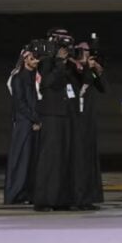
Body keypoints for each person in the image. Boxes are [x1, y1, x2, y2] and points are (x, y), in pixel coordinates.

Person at [33, 30, 75, 211]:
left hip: (65, 113)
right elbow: (48, 82)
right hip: (50, 114)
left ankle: (61, 199)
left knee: (64, 158)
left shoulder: (67, 63)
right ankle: (43, 200)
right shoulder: (46, 60)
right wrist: (58, 61)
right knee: (49, 158)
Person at [70, 41, 106, 210]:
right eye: (83, 51)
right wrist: (84, 67)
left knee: (89, 159)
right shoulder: (73, 68)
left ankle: (88, 196)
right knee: (79, 159)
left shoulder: (88, 70)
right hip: (77, 118)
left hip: (88, 118)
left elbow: (102, 88)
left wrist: (96, 71)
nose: (86, 54)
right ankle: (78, 197)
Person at [4, 47, 41, 205]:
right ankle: (15, 194)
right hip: (24, 123)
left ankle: (28, 192)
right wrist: (35, 120)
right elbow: (20, 104)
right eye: (33, 58)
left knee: (32, 160)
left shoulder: (35, 77)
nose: (36, 61)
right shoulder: (18, 78)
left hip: (32, 122)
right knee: (21, 159)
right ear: (25, 59)